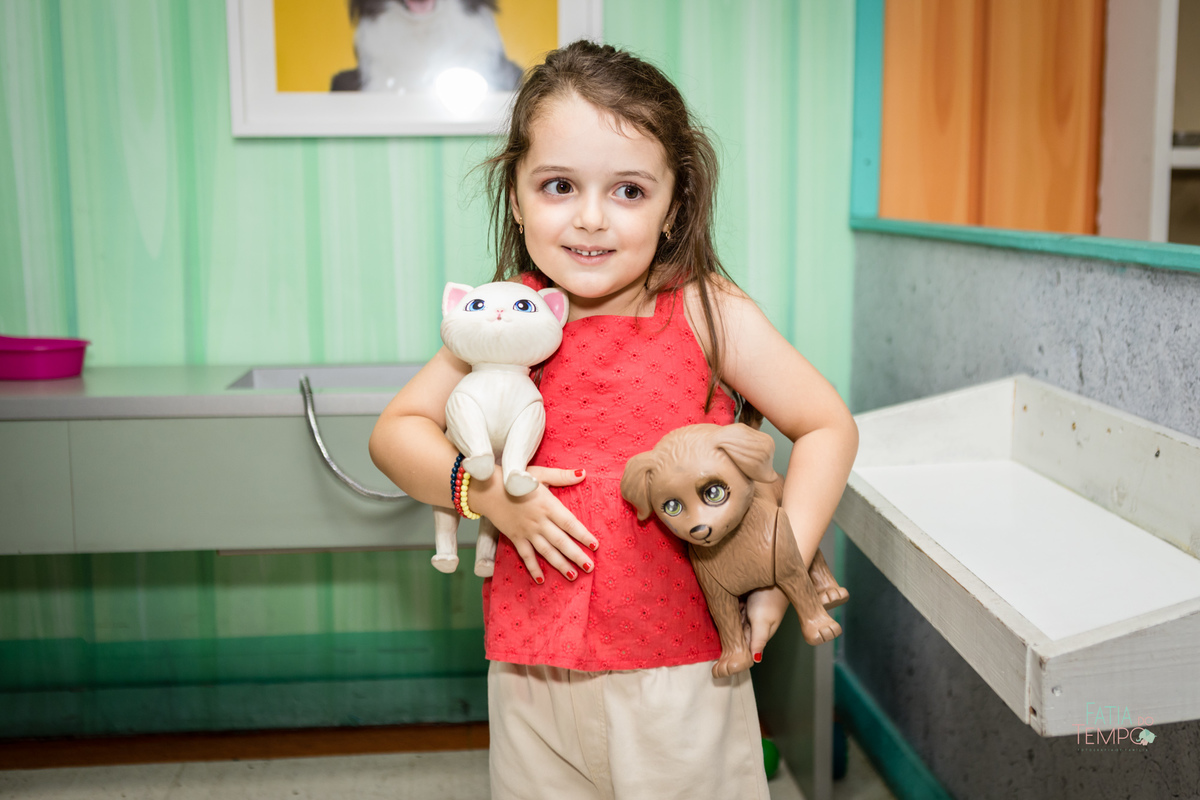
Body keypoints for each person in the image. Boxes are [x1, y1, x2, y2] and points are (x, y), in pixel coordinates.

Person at [369, 39, 859, 800]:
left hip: (686, 671)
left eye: (628, 191)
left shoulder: (706, 310)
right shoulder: (506, 319)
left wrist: (775, 577)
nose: (591, 219)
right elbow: (395, 433)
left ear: (675, 205)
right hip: (532, 671)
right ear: (518, 193)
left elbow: (828, 424)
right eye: (559, 185)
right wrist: (484, 494)